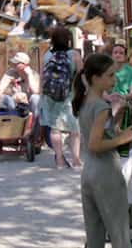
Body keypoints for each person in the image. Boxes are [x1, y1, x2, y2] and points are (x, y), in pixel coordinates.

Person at [75, 52, 132, 248]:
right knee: (120, 235)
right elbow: (95, 144)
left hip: (89, 173)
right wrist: (121, 139)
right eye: (110, 75)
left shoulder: (85, 102)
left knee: (94, 237)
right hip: (106, 173)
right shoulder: (100, 106)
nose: (114, 79)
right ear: (95, 78)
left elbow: (99, 132)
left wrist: (117, 117)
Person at [42, 25, 84, 169]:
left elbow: (44, 77)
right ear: (68, 40)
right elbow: (81, 75)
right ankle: (76, 160)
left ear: (52, 40)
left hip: (51, 97)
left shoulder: (47, 55)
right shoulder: (75, 55)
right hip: (69, 97)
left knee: (55, 129)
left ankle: (59, 160)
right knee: (75, 130)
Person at [0, 51, 41, 118]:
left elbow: (36, 91)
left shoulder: (33, 74)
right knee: (4, 98)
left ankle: (36, 124)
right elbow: (0, 88)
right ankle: (6, 124)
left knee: (35, 98)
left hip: (29, 107)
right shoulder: (11, 72)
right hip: (15, 105)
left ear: (24, 64)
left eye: (16, 63)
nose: (14, 64)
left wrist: (29, 75)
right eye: (14, 62)